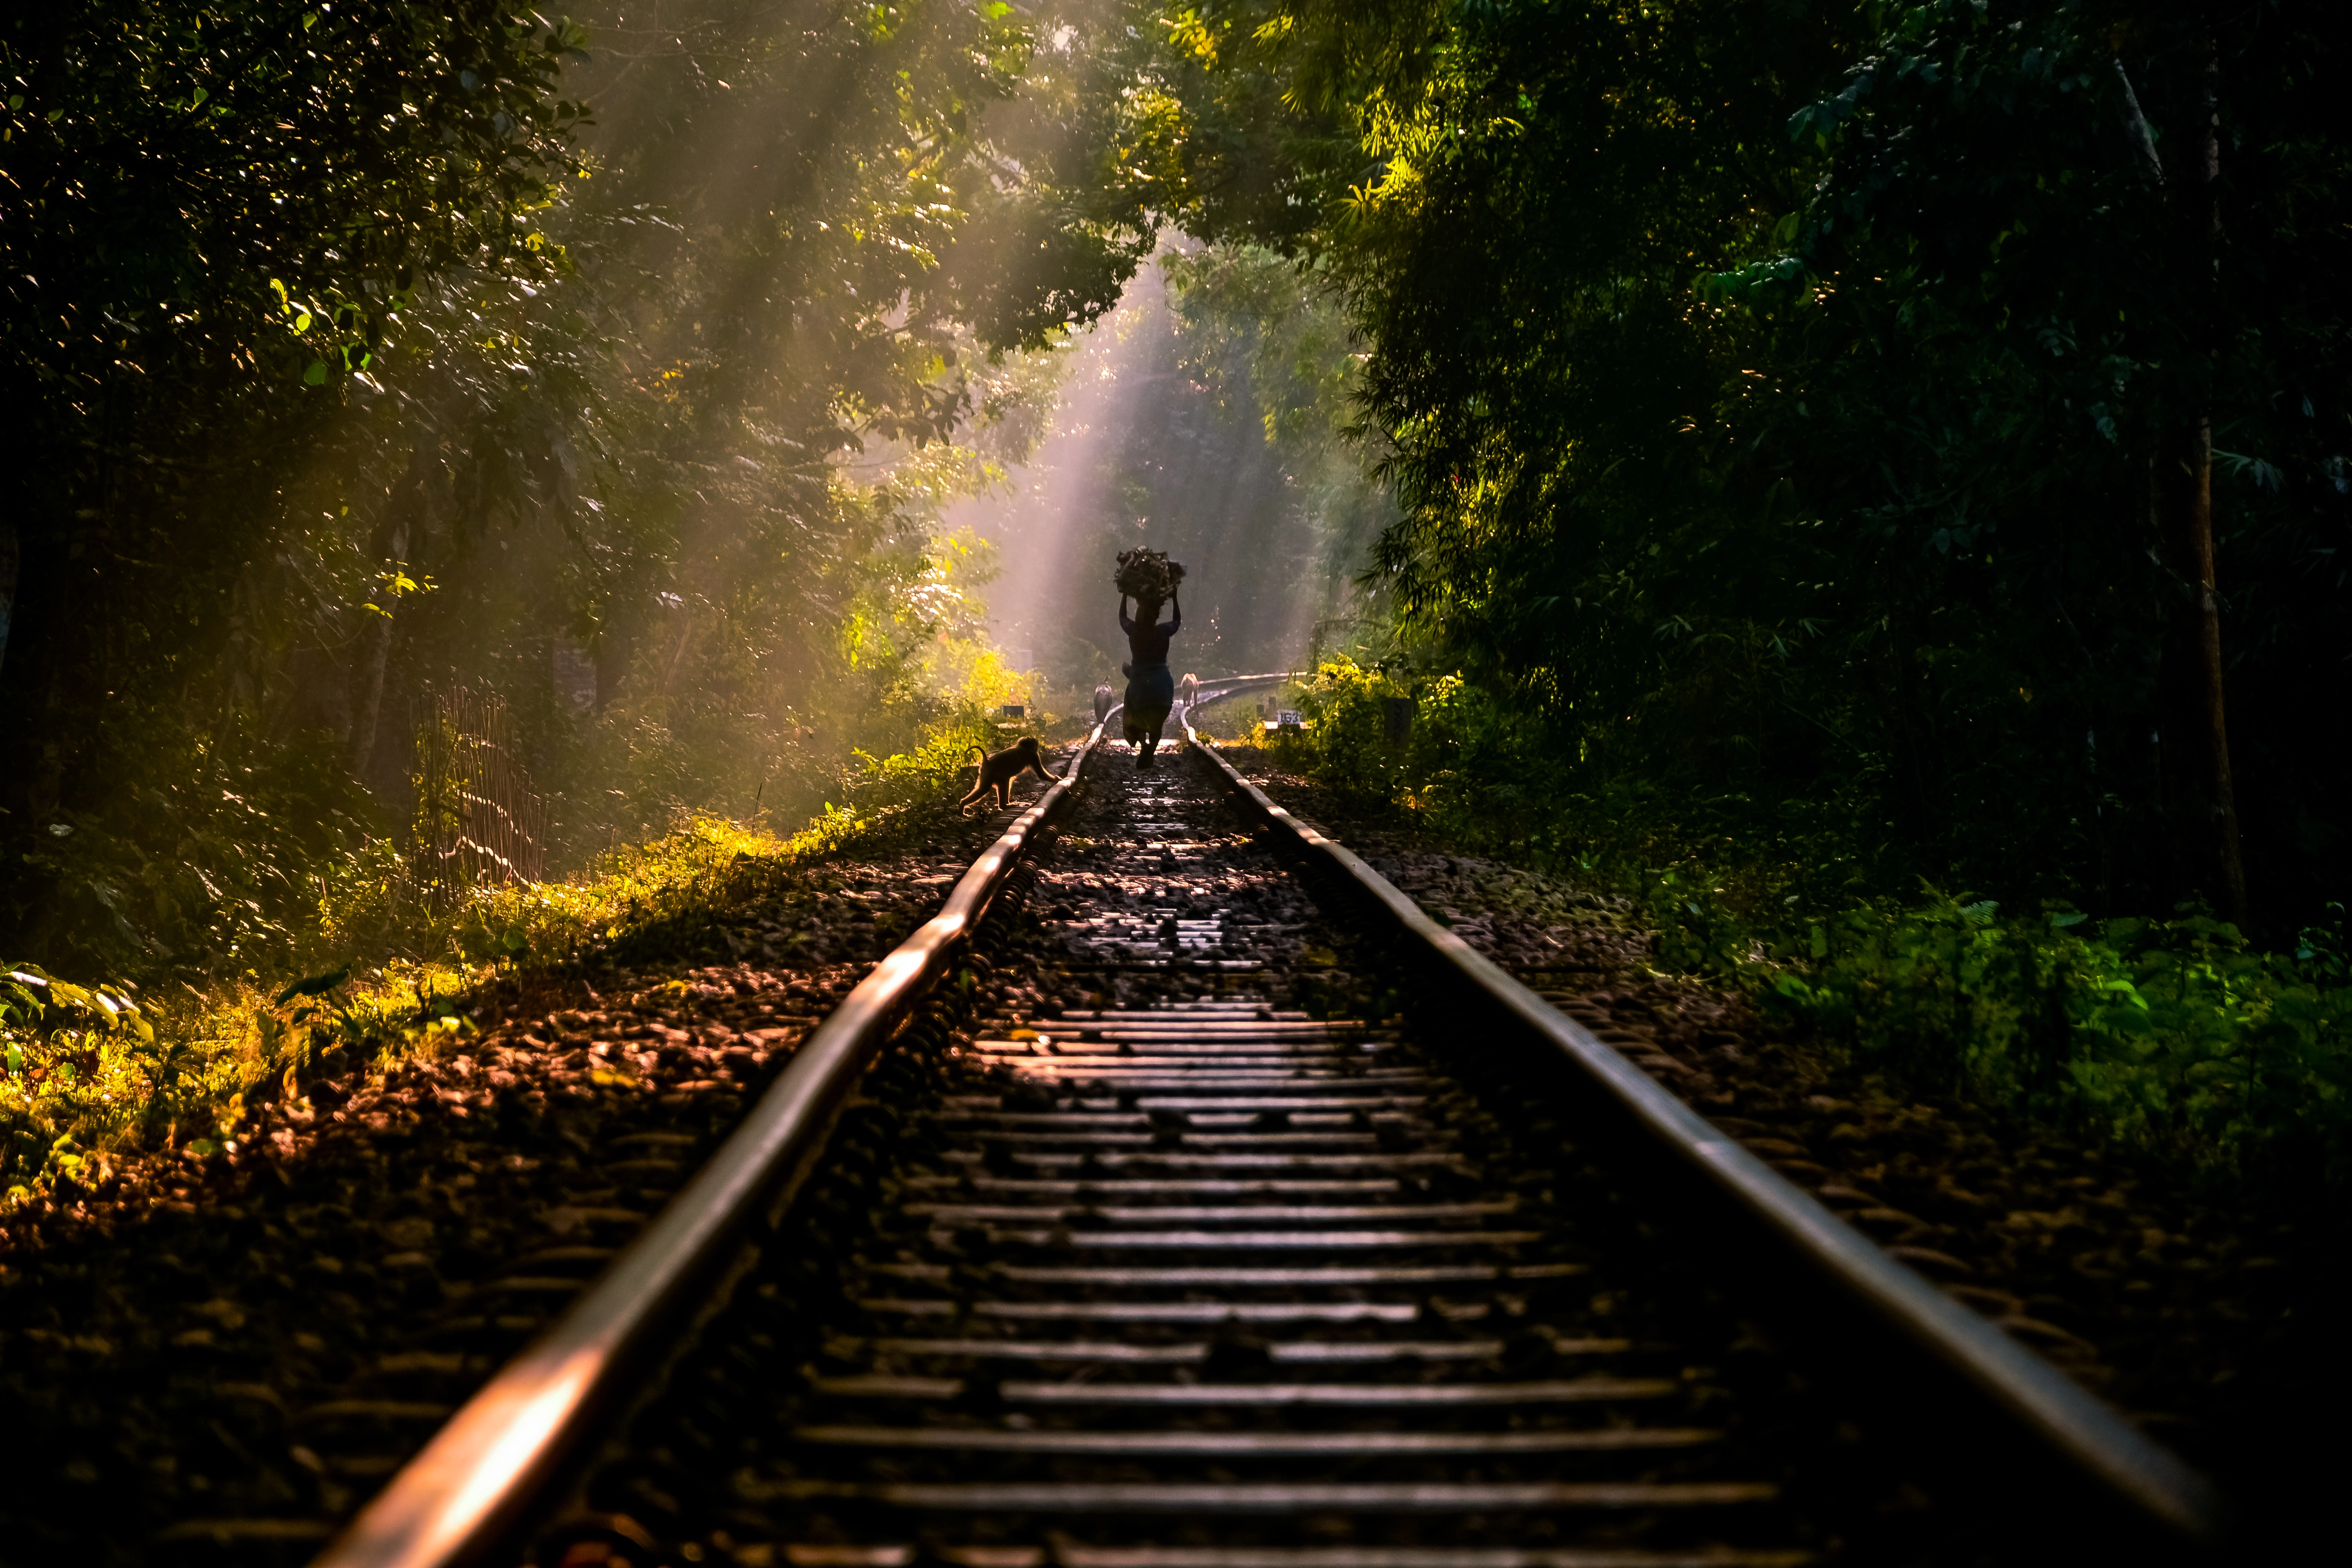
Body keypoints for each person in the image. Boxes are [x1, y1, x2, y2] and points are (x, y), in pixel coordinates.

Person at [1118, 589, 1181, 766]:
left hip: (1140, 686)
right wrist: (1175, 599)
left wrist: (1124, 595)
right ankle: (1151, 750)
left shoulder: (1134, 631)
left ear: (1139, 616)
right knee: (1157, 724)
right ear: (1155, 617)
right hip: (1162, 686)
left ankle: (1143, 745)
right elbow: (1177, 621)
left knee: (1132, 716)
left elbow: (1122, 617)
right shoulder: (1163, 631)